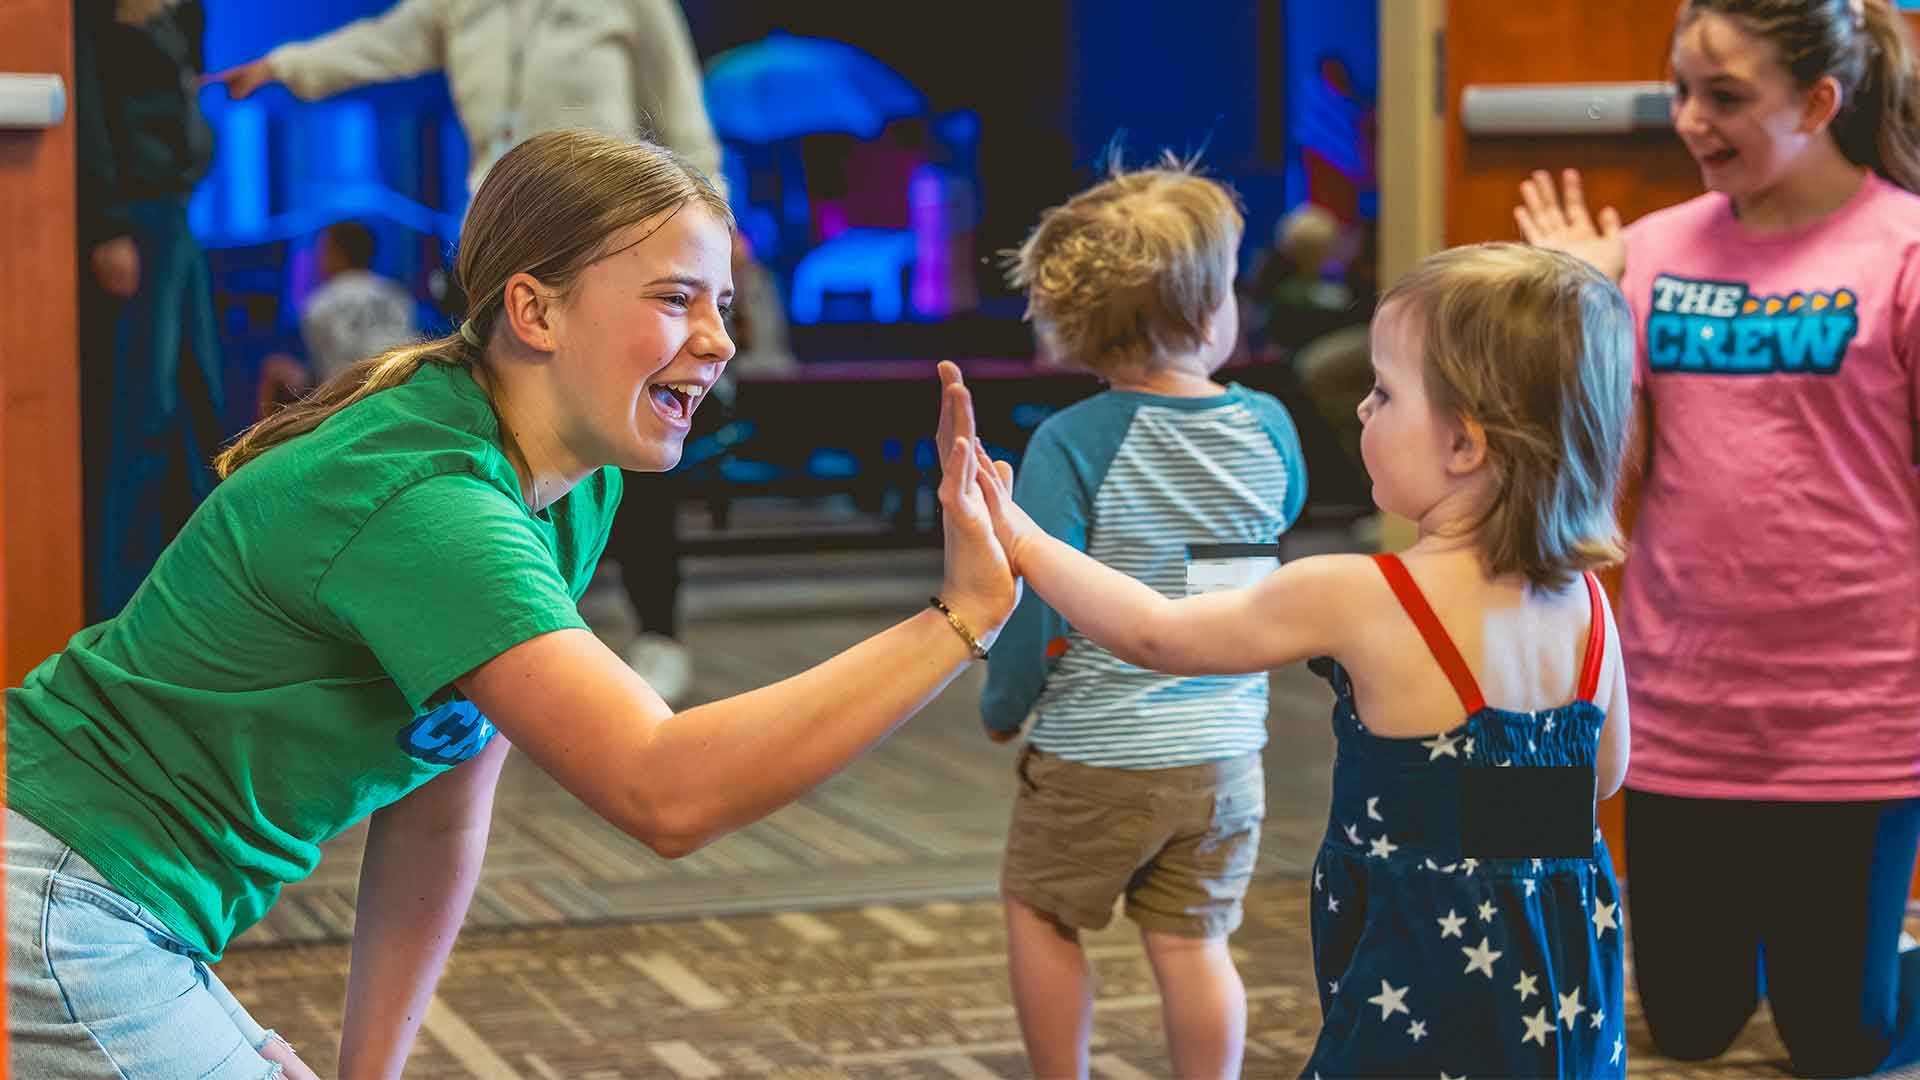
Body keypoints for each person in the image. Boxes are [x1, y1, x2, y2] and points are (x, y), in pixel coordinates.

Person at [4, 129, 1017, 1078]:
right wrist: (958, 618)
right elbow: (665, 791)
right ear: (535, 311)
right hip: (56, 894)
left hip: (123, 904)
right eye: (676, 299)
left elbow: (441, 808)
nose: (719, 340)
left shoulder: (567, 486)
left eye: (721, 301)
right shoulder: (433, 504)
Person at [968, 242, 1635, 1077]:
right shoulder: (1589, 605)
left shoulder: (1361, 592)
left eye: (1385, 392)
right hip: (1560, 978)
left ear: (1465, 445)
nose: (1362, 409)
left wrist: (1025, 540)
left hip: (1424, 979)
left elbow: (1156, 635)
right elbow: (1602, 778)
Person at [1514, 1, 1920, 1073]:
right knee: (1687, 1025)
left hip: (1858, 712)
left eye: (1727, 97)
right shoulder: (1648, 250)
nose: (1691, 120)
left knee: (1837, 1041)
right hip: (1683, 699)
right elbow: (1607, 477)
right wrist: (1586, 310)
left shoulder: (1905, 250)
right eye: (1683, 90)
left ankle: (1890, 973)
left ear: (1821, 101)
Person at [207, 0, 727, 699]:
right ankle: (509, 626)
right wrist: (283, 67)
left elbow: (684, 114)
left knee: (632, 434)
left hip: (619, 252)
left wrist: (706, 257)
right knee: (493, 437)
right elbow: (382, 44)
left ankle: (657, 631)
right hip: (502, 250)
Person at [978, 159, 1307, 1080]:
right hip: (1227, 750)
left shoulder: (1070, 443)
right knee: (1195, 944)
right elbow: (1277, 525)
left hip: (1099, 753)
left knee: (1040, 911)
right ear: (1209, 313)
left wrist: (1003, 703)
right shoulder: (1270, 426)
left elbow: (1037, 603)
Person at [74, 0, 226, 621]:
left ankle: (188, 609)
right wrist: (107, 222)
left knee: (194, 415)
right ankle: (119, 619)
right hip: (137, 217)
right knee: (140, 420)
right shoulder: (97, 13)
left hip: (175, 211)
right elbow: (85, 101)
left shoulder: (178, 13)